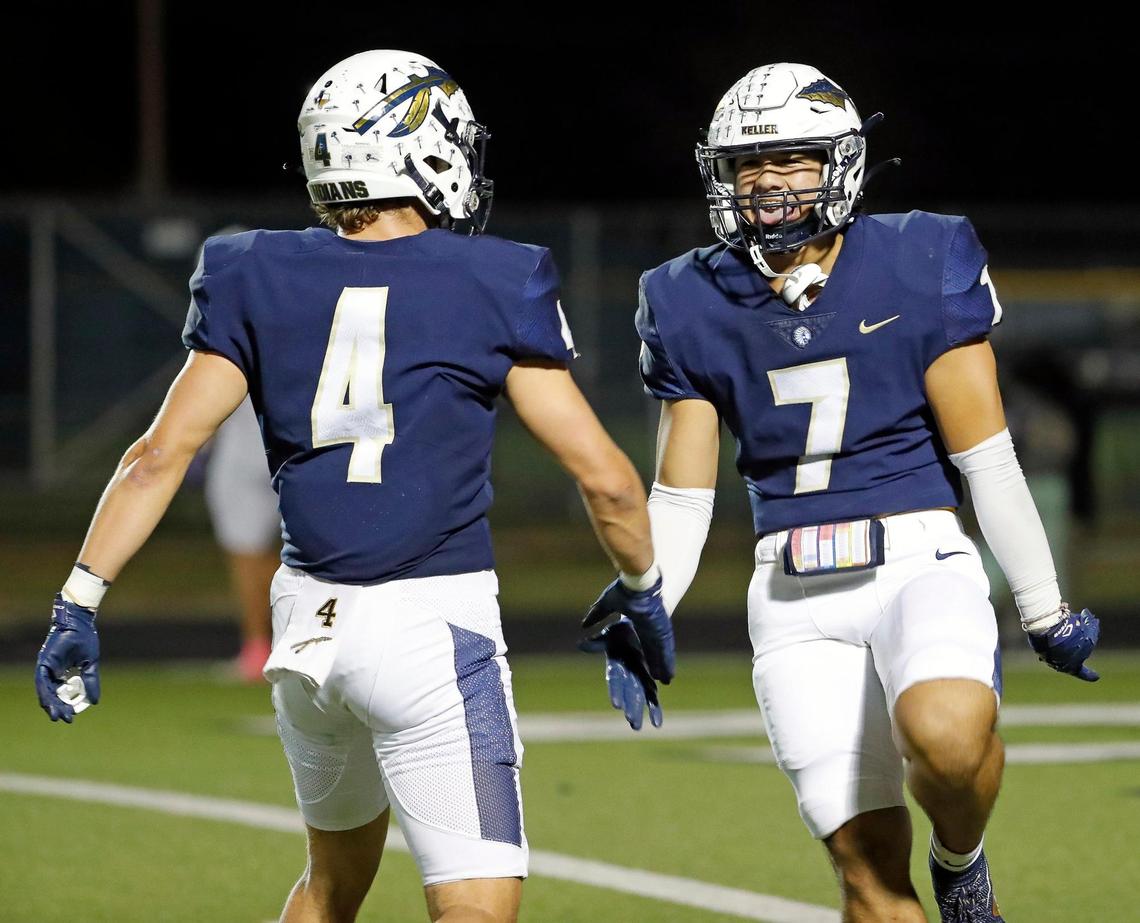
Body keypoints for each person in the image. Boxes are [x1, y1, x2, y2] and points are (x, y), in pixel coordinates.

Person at [34, 49, 673, 923]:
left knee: (330, 889)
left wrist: (78, 601)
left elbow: (155, 456)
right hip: (430, 628)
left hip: (306, 633)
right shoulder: (497, 277)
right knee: (476, 908)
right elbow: (605, 480)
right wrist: (642, 587)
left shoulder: (251, 267)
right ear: (425, 150)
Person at [630, 62, 1100, 923]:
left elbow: (988, 458)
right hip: (790, 590)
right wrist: (646, 598)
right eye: (746, 163)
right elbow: (683, 497)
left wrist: (1042, 606)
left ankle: (961, 859)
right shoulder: (684, 297)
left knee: (950, 739)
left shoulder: (920, 256)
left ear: (840, 163)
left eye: (796, 157)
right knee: (871, 884)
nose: (768, 180)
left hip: (919, 557)